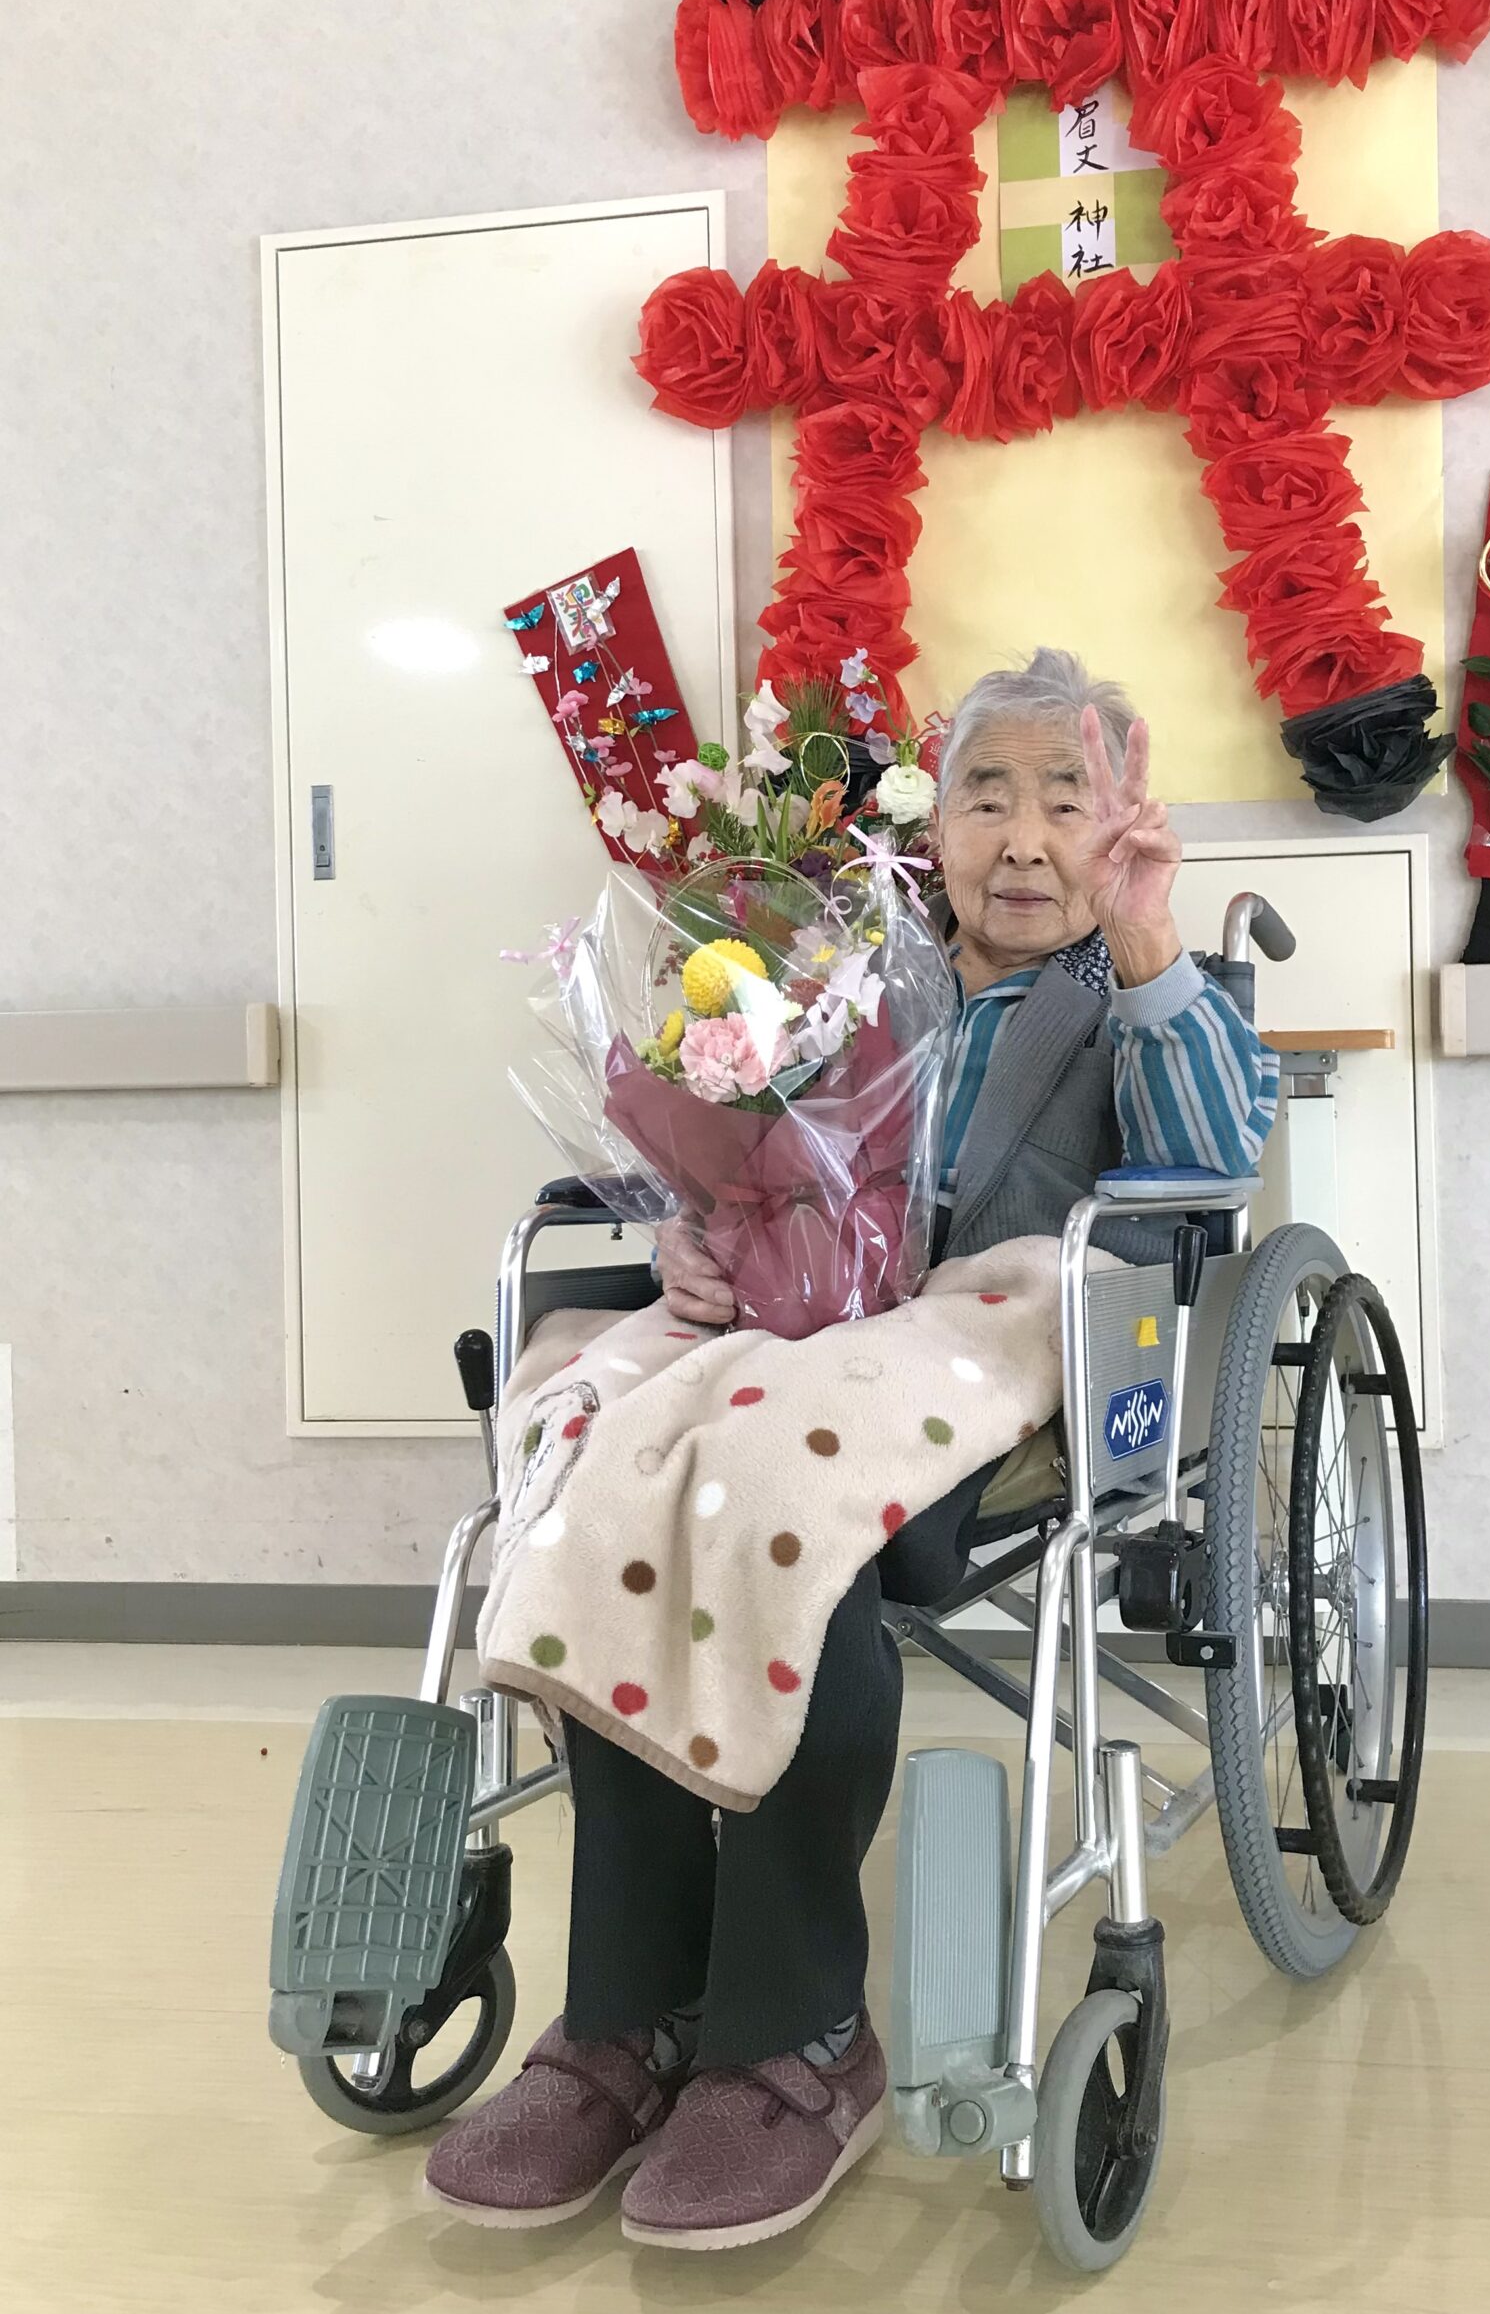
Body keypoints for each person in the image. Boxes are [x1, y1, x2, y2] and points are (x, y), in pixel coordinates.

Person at [424, 648, 1280, 2250]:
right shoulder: (842, 976)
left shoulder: (1140, 991)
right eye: (985, 798)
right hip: (793, 1341)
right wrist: (691, 1231)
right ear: (930, 828)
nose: (1023, 839)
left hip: (992, 1355)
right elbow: (730, 1148)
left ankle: (796, 2034)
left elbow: (1214, 1159)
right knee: (606, 1471)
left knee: (782, 1504)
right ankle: (627, 2016)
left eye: (1066, 800)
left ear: (1122, 823)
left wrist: (1152, 938)